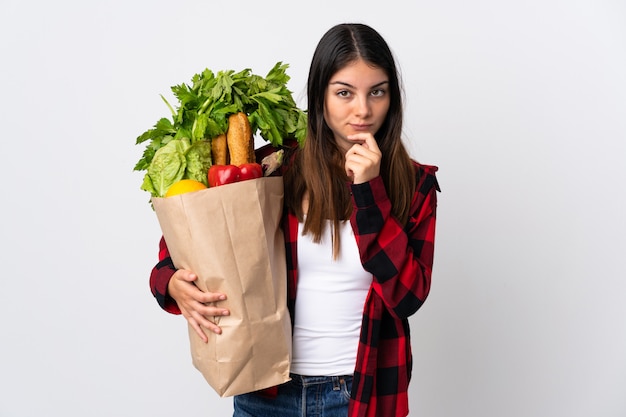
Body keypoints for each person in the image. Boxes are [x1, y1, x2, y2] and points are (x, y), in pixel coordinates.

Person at [149, 22, 440, 417]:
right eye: (344, 93)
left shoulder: (415, 183)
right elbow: (188, 239)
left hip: (361, 394)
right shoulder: (274, 168)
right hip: (266, 391)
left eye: (377, 91)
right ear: (320, 94)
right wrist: (172, 284)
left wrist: (369, 193)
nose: (363, 109)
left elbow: (407, 296)